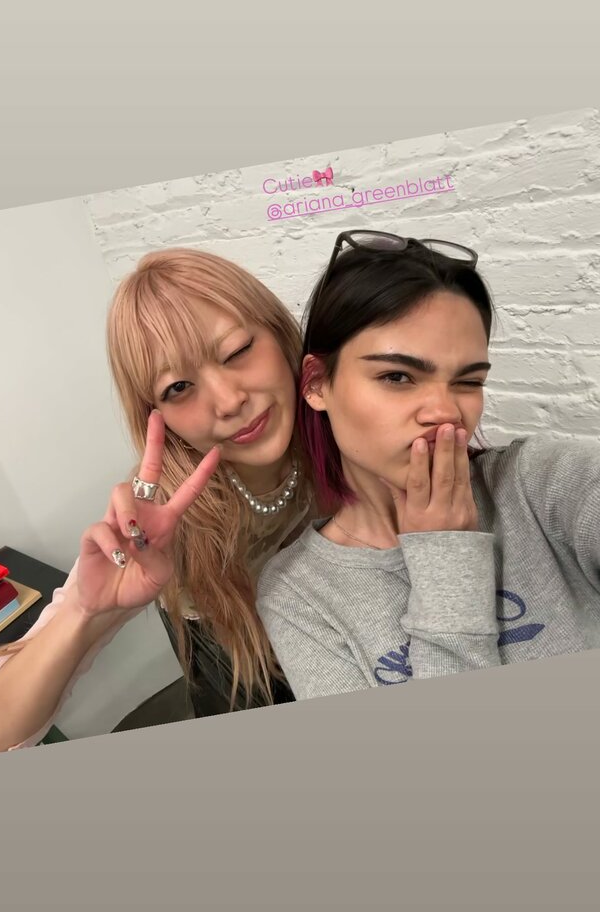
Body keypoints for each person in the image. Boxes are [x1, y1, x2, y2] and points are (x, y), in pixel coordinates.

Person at [0, 248, 314, 753]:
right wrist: (85, 611)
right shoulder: (165, 518)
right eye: (179, 387)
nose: (229, 400)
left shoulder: (341, 434)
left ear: (279, 331)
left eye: (236, 351)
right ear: (154, 413)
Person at [255, 229, 600, 701]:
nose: (446, 412)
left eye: (468, 382)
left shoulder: (542, 484)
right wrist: (445, 557)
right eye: (397, 376)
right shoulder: (299, 595)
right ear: (316, 384)